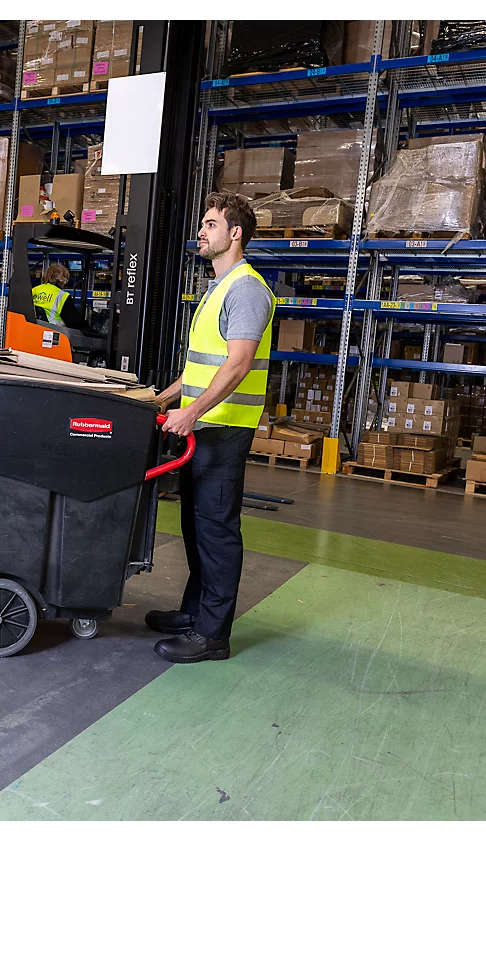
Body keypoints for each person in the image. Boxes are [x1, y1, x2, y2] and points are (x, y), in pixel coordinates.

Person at [149, 191, 274, 664]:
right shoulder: (217, 287)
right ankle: (193, 612)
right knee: (194, 525)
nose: (200, 232)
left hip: (223, 429)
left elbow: (239, 364)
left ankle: (212, 635)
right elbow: (206, 365)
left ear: (235, 233)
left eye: (210, 224)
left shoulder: (245, 289)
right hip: (203, 425)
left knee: (217, 530)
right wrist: (161, 398)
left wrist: (193, 411)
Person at [31, 263, 87, 330]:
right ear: (63, 279)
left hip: (33, 332)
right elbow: (75, 323)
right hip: (55, 335)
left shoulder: (33, 290)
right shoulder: (62, 296)